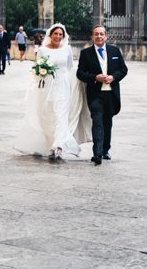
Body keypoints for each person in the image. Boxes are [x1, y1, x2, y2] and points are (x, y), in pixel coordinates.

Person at [15, 23, 91, 161]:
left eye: (60, 34)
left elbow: (69, 68)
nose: (58, 36)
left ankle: (59, 146)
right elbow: (37, 68)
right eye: (55, 34)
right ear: (50, 35)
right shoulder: (43, 50)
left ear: (63, 36)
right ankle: (50, 143)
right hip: (47, 86)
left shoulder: (67, 49)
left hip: (63, 86)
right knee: (49, 115)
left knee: (61, 115)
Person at [76, 24, 128, 165]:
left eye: (101, 34)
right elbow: (80, 73)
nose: (99, 36)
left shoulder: (115, 51)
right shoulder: (85, 53)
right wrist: (95, 77)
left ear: (106, 36)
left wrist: (113, 77)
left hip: (111, 94)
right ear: (92, 36)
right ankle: (97, 154)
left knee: (107, 123)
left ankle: (105, 150)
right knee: (97, 122)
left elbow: (123, 69)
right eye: (96, 34)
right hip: (95, 94)